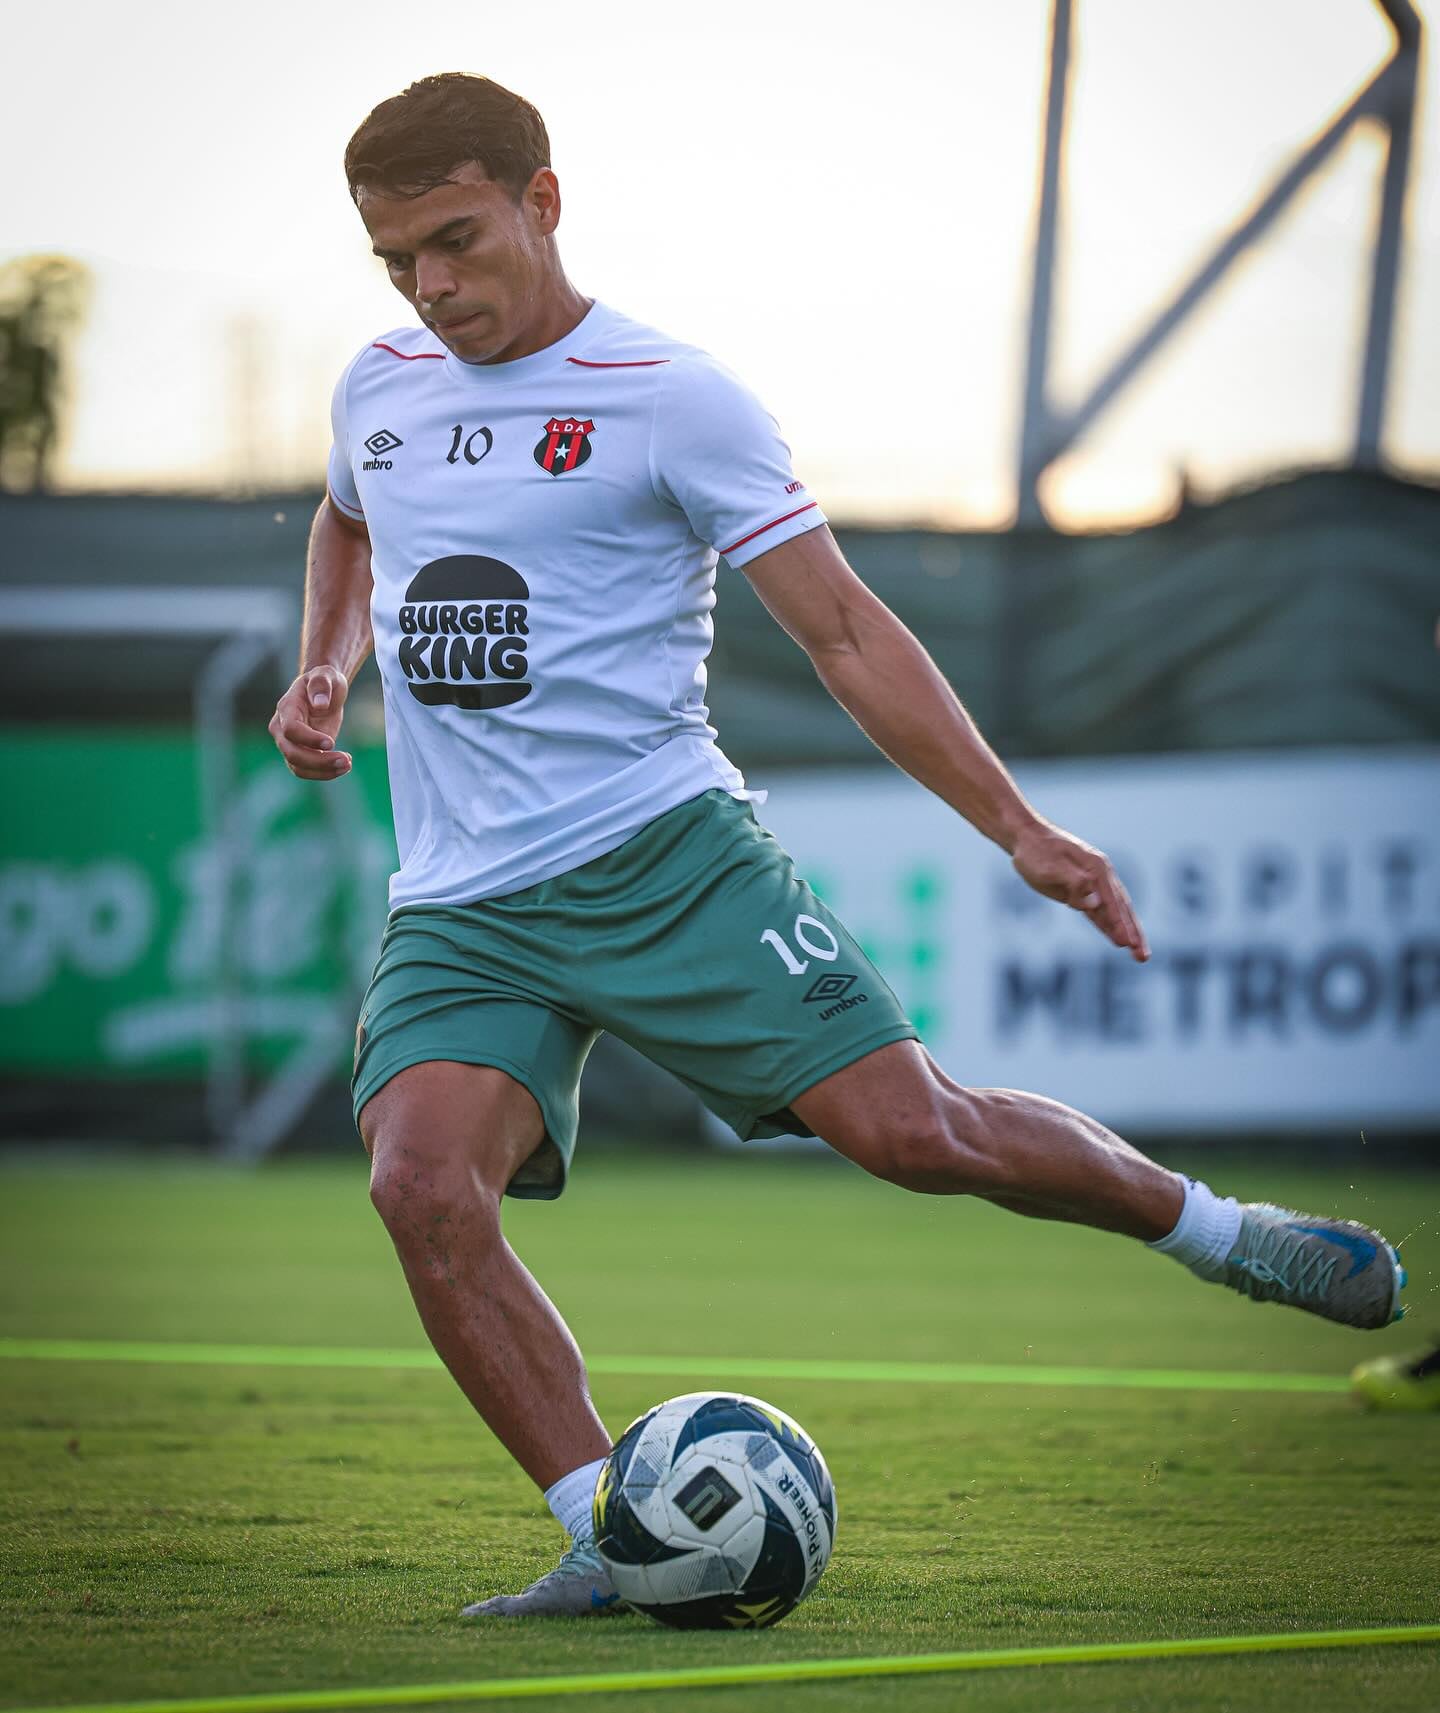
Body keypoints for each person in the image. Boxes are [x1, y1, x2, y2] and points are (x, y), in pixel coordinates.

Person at [269, 72, 1406, 1618]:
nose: (433, 286)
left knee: (916, 1134)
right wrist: (327, 660)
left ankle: (1223, 1233)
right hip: (465, 901)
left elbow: (852, 634)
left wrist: (1019, 828)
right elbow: (346, 517)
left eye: (458, 240)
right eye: (399, 260)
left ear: (544, 199)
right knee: (420, 1187)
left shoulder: (677, 395)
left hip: (666, 856)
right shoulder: (379, 385)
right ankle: (610, 1530)